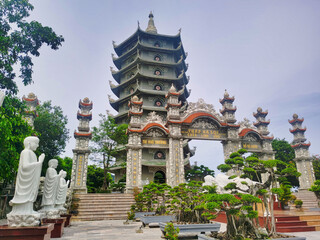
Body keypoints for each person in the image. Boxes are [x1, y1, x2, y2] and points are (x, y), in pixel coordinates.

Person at [9, 136, 44, 215]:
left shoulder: (32, 154)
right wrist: (39, 162)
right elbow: (25, 166)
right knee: (25, 196)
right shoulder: (25, 152)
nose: (37, 146)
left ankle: (28, 210)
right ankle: (22, 211)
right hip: (25, 181)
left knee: (29, 198)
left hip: (30, 180)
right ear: (29, 143)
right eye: (36, 143)